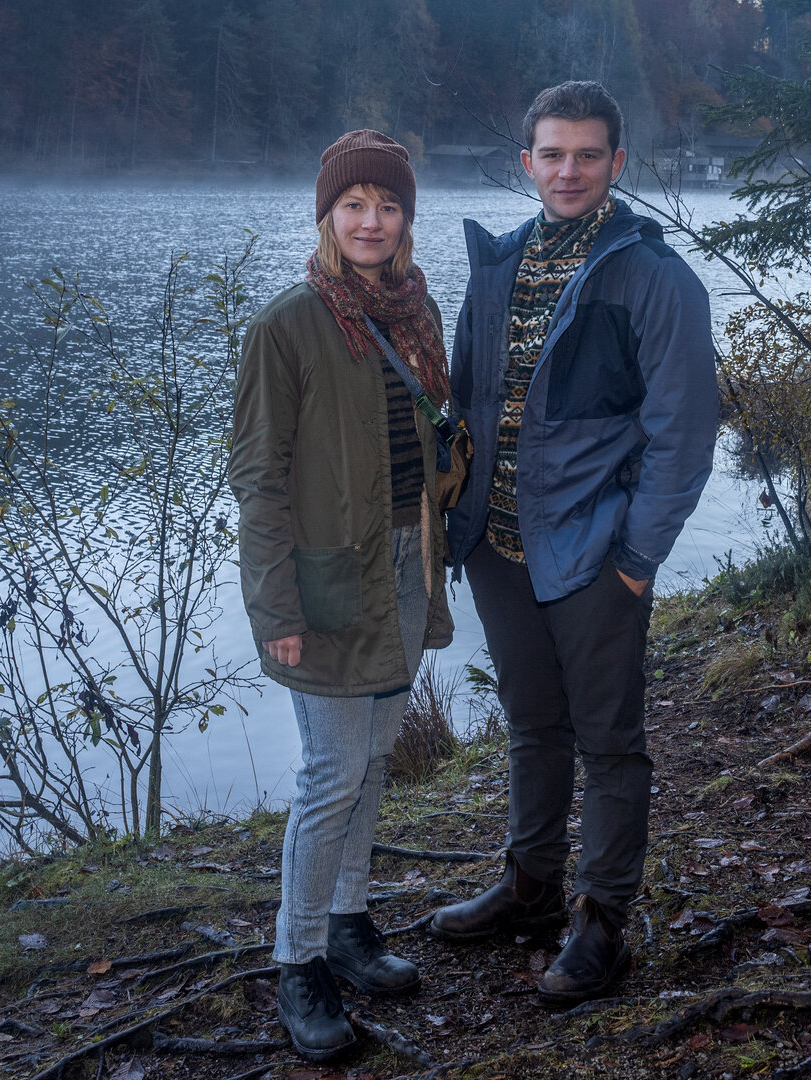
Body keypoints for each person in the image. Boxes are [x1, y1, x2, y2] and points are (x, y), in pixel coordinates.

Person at [428, 81, 720, 1005]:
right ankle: (529, 885)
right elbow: (467, 401)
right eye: (551, 154)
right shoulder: (498, 264)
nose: (568, 170)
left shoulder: (653, 277)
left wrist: (636, 558)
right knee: (531, 725)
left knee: (610, 741)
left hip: (594, 553)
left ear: (615, 165)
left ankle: (601, 923)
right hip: (497, 546)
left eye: (587, 154)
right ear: (528, 163)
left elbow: (684, 433)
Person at [229, 129, 455, 1061]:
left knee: (374, 760)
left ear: (405, 217)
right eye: (354, 204)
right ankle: (298, 961)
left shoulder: (415, 309)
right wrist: (274, 609)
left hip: (409, 562)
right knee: (331, 773)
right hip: (328, 579)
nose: (371, 221)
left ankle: (351, 921)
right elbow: (258, 478)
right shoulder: (287, 325)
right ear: (327, 214)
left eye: (388, 205)